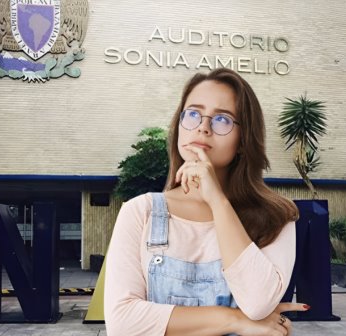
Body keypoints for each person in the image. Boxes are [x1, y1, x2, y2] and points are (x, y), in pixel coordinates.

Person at [104, 68, 309, 336]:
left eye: (222, 119)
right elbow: (123, 322)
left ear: (244, 140)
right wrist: (234, 320)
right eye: (192, 114)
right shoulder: (141, 212)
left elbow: (258, 305)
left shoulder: (275, 216)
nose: (203, 127)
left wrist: (218, 201)